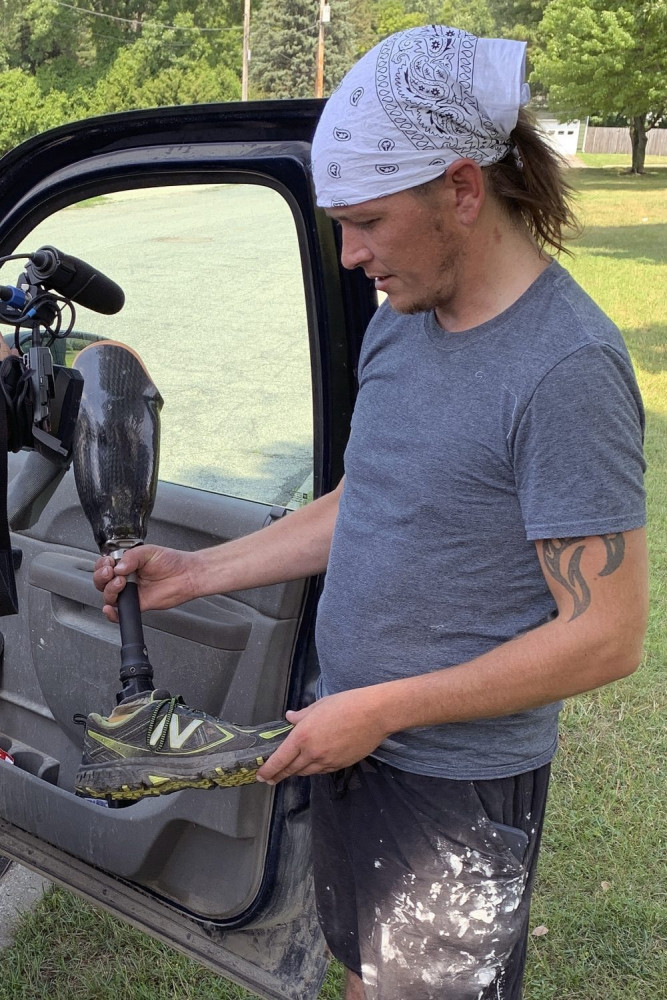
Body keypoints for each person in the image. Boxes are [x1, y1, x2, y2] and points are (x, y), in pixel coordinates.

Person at [86, 25, 647, 1000]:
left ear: (463, 190)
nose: (350, 256)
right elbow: (370, 496)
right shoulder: (403, 317)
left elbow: (604, 635)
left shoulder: (565, 368)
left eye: (368, 222)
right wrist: (199, 572)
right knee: (369, 968)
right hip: (354, 738)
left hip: (454, 785)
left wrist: (380, 709)